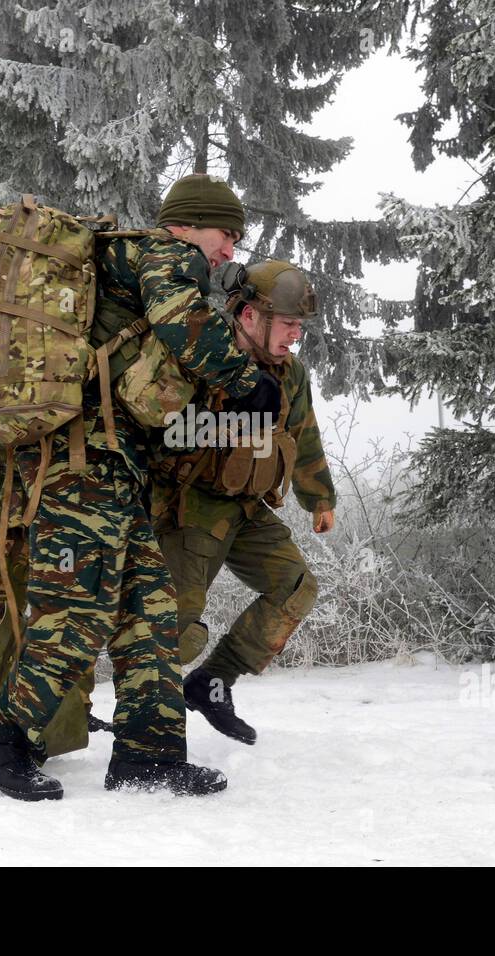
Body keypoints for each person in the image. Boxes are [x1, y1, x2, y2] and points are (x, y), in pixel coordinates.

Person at [0, 174, 283, 800]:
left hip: (112, 466)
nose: (229, 251)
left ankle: (148, 757)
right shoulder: (167, 254)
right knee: (77, 613)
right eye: (226, 234)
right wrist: (249, 382)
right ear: (189, 224)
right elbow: (181, 322)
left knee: (150, 613)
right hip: (78, 466)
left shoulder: (121, 263)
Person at [150, 260, 336, 745]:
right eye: (289, 323)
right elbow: (155, 422)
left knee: (295, 587)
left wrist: (319, 498)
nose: (297, 334)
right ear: (251, 315)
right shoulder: (206, 356)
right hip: (191, 507)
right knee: (174, 626)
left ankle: (212, 684)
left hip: (248, 508)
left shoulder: (291, 374)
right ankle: (137, 727)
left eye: (300, 325)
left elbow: (305, 436)